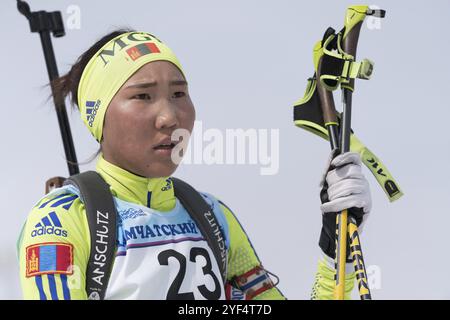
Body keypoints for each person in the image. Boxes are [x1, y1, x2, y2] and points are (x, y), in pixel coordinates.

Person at [17, 29, 372, 300]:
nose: (169, 117)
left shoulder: (210, 215)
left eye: (179, 93)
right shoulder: (61, 220)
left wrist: (334, 247)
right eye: (142, 96)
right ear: (99, 116)